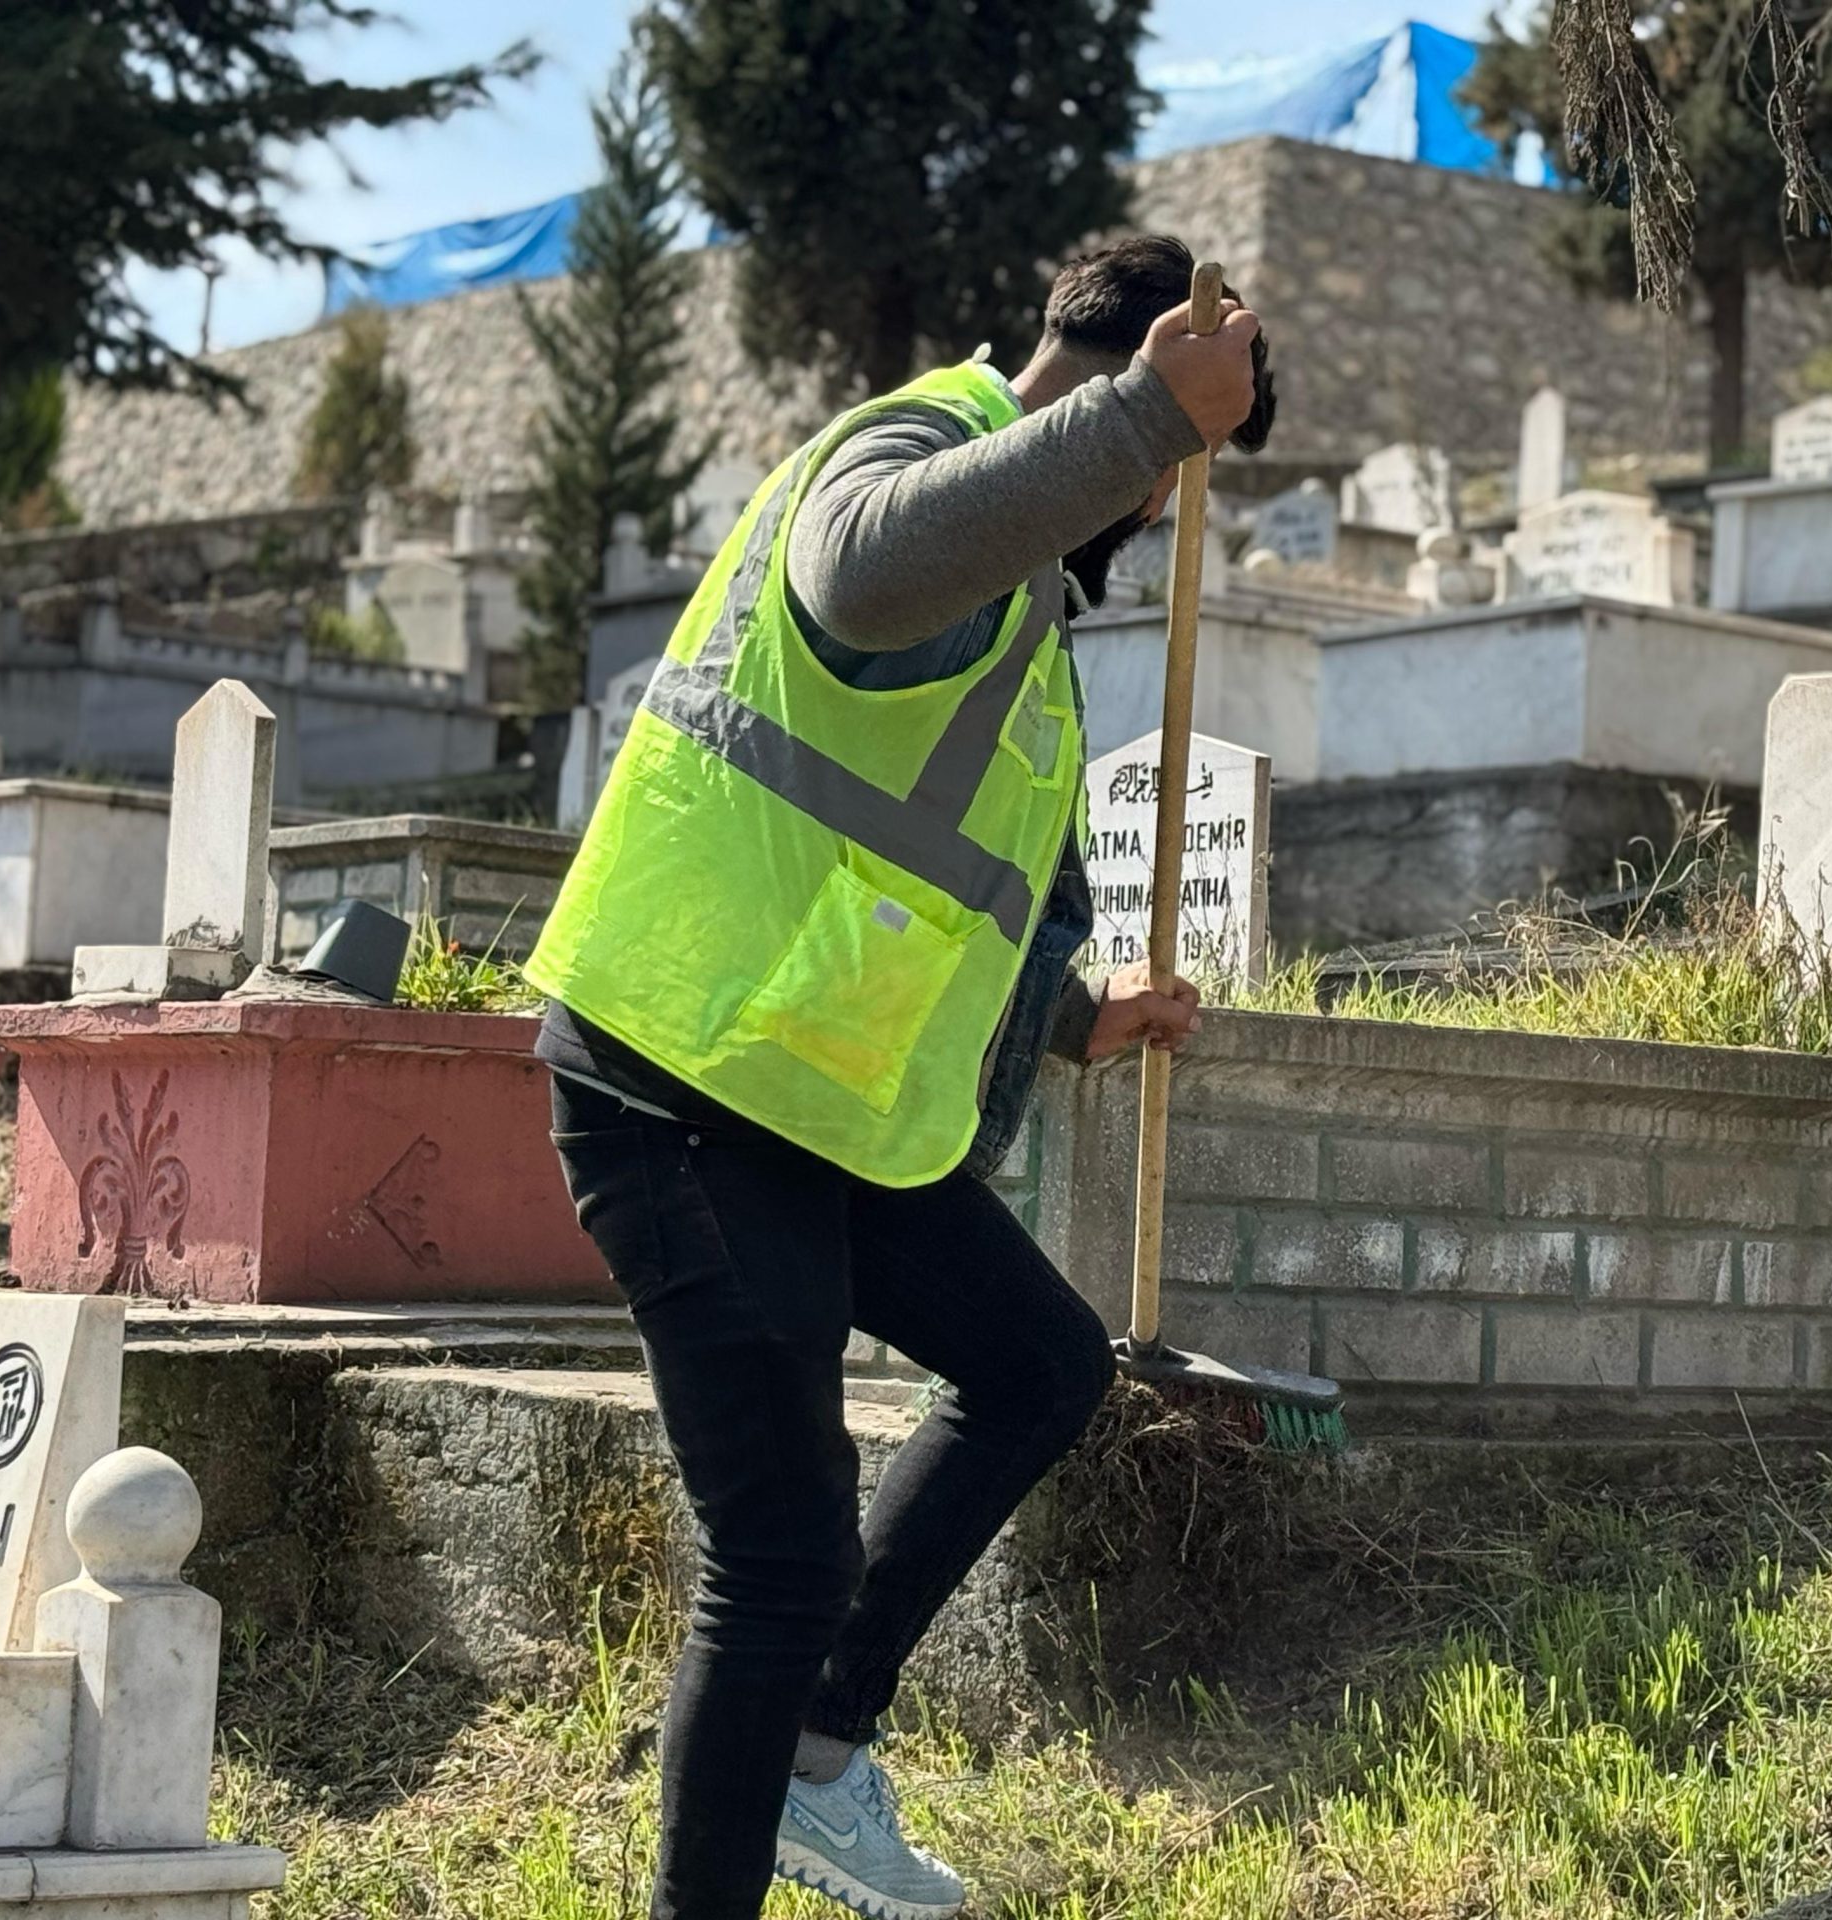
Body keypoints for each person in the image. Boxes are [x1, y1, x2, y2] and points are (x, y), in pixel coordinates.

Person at [526, 234, 1277, 1920]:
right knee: (781, 1557)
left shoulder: (1014, 610)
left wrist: (1077, 1014)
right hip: (681, 1075)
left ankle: (815, 1755)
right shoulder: (906, 449)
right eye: (1167, 478)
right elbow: (860, 579)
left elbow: (925, 879)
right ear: (1118, 379)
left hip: (819, 1107)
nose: (1152, 517)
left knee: (1040, 1364)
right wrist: (1160, 415)